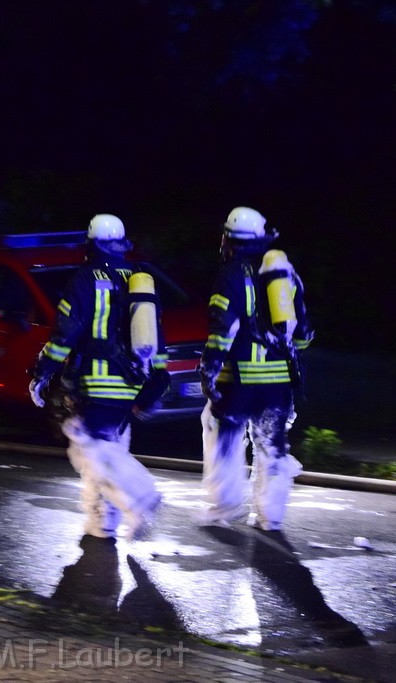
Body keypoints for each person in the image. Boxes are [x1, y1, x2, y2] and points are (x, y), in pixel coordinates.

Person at [29, 214, 169, 540]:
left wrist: (42, 373)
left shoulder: (84, 279)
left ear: (90, 244)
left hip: (99, 384)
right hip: (132, 384)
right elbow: (156, 338)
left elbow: (66, 334)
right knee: (107, 450)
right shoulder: (139, 279)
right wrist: (151, 387)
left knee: (90, 450)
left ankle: (144, 497)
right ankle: (102, 526)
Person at [197, 207, 313, 531]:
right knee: (272, 445)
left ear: (230, 240)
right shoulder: (284, 272)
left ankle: (226, 505)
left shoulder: (230, 275)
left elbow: (223, 331)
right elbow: (302, 332)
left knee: (225, 437)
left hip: (239, 381)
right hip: (278, 383)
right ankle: (271, 516)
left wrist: (208, 371)